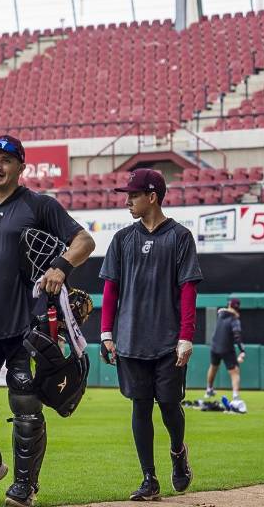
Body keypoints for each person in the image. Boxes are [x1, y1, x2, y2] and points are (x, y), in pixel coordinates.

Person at [0, 135, 95, 507]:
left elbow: (84, 241)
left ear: (20, 167)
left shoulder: (39, 205)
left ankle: (25, 485)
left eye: (6, 160)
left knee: (26, 402)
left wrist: (60, 266)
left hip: (26, 327)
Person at [99, 169, 203, 501]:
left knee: (170, 406)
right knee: (140, 408)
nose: (127, 200)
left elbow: (188, 290)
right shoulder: (122, 239)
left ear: (152, 196)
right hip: (130, 339)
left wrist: (186, 336)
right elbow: (110, 290)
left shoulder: (180, 237)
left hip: (168, 341)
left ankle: (177, 451)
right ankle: (149, 479)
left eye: (133, 194)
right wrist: (105, 332)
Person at [205, 298, 245, 401]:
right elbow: (237, 336)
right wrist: (242, 351)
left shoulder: (220, 315)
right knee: (235, 372)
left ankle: (209, 389)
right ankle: (235, 395)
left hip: (215, 347)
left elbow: (222, 310)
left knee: (213, 367)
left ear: (229, 305)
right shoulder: (234, 319)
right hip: (227, 348)